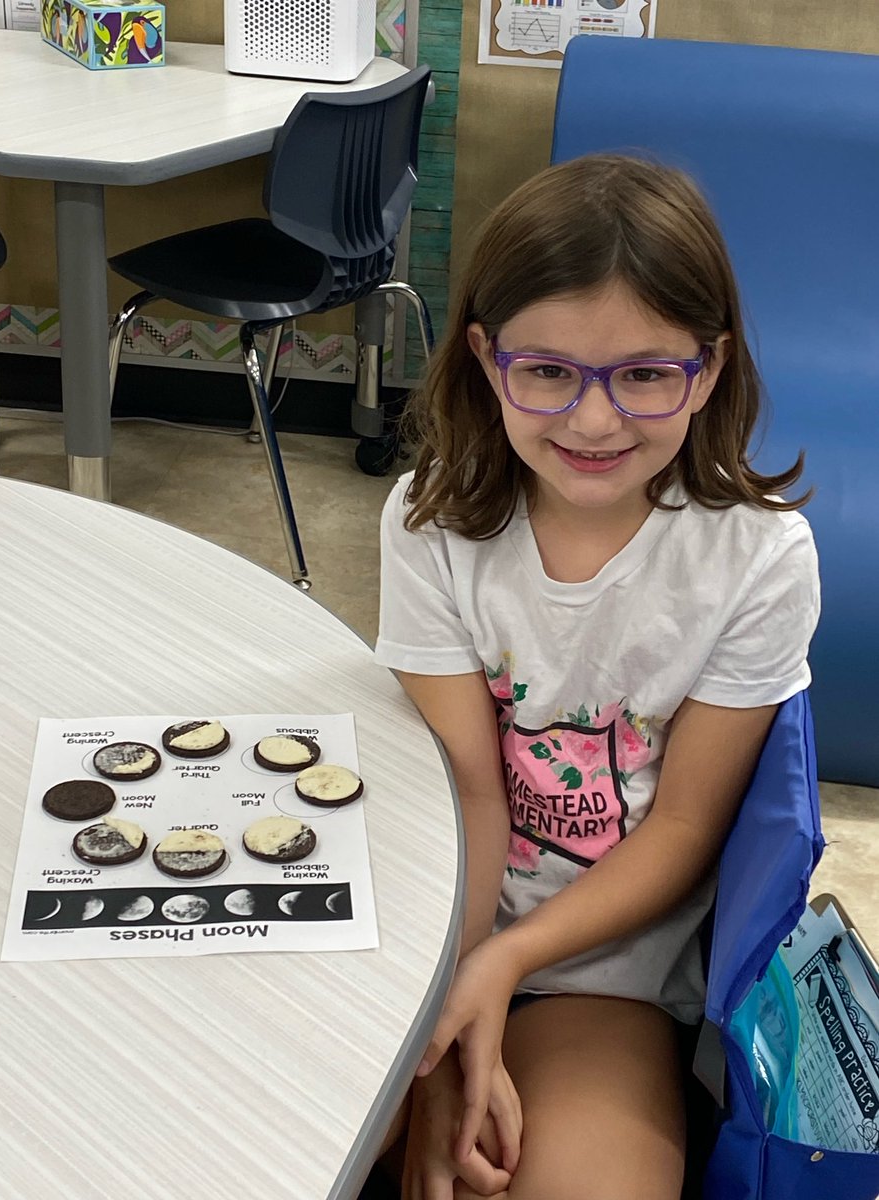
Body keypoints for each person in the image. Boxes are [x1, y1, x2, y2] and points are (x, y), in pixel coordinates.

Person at [374, 153, 820, 1200]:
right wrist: (446, 1003)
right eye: (549, 372)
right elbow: (471, 790)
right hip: (429, 925)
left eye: (645, 373)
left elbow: (680, 833)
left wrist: (504, 968)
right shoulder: (430, 523)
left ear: (707, 369)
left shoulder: (757, 560)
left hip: (611, 975)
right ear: (487, 359)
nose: (592, 420)